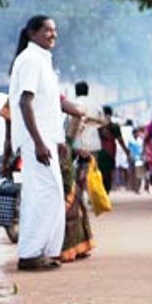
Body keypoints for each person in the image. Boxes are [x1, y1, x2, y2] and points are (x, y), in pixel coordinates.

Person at [8, 15, 84, 271]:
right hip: (35, 140)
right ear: (32, 33)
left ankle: (45, 251)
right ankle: (30, 253)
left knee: (51, 194)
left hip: (47, 139)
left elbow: (50, 106)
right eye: (48, 30)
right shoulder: (30, 60)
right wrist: (39, 142)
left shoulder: (43, 61)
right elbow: (25, 103)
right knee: (41, 195)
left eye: (55, 30)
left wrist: (58, 139)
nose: (53, 35)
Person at [62, 81, 104, 262]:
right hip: (87, 144)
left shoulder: (72, 103)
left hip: (75, 145)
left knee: (78, 185)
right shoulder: (93, 104)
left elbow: (70, 129)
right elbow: (102, 121)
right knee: (83, 180)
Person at [96, 105, 131, 192]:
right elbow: (120, 141)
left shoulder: (111, 127)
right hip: (104, 152)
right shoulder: (100, 126)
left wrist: (127, 152)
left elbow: (120, 140)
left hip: (106, 153)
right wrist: (127, 152)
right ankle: (103, 192)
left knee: (105, 174)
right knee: (103, 174)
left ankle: (104, 192)